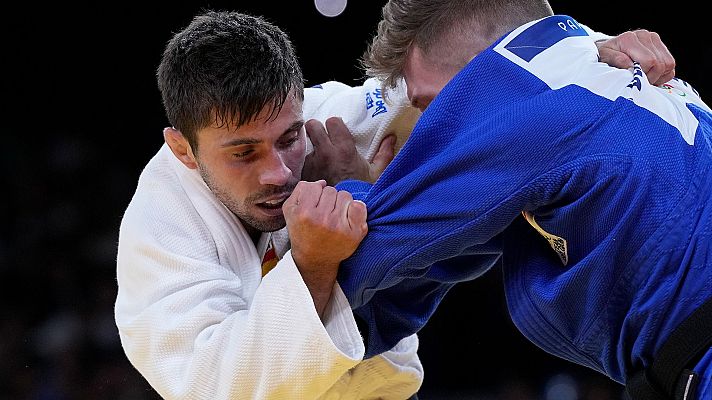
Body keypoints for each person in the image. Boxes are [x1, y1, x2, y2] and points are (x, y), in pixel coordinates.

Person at [114, 7, 683, 400]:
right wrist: (312, 264)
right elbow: (220, 385)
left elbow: (463, 79)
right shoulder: (161, 227)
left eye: (288, 139)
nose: (278, 170)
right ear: (183, 149)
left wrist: (583, 54)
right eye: (243, 153)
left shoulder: (329, 118)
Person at [331, 1, 712, 399]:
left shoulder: (528, 98)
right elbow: (416, 278)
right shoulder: (603, 74)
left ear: (485, 66)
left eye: (430, 105)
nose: (425, 129)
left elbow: (366, 255)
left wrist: (346, 192)